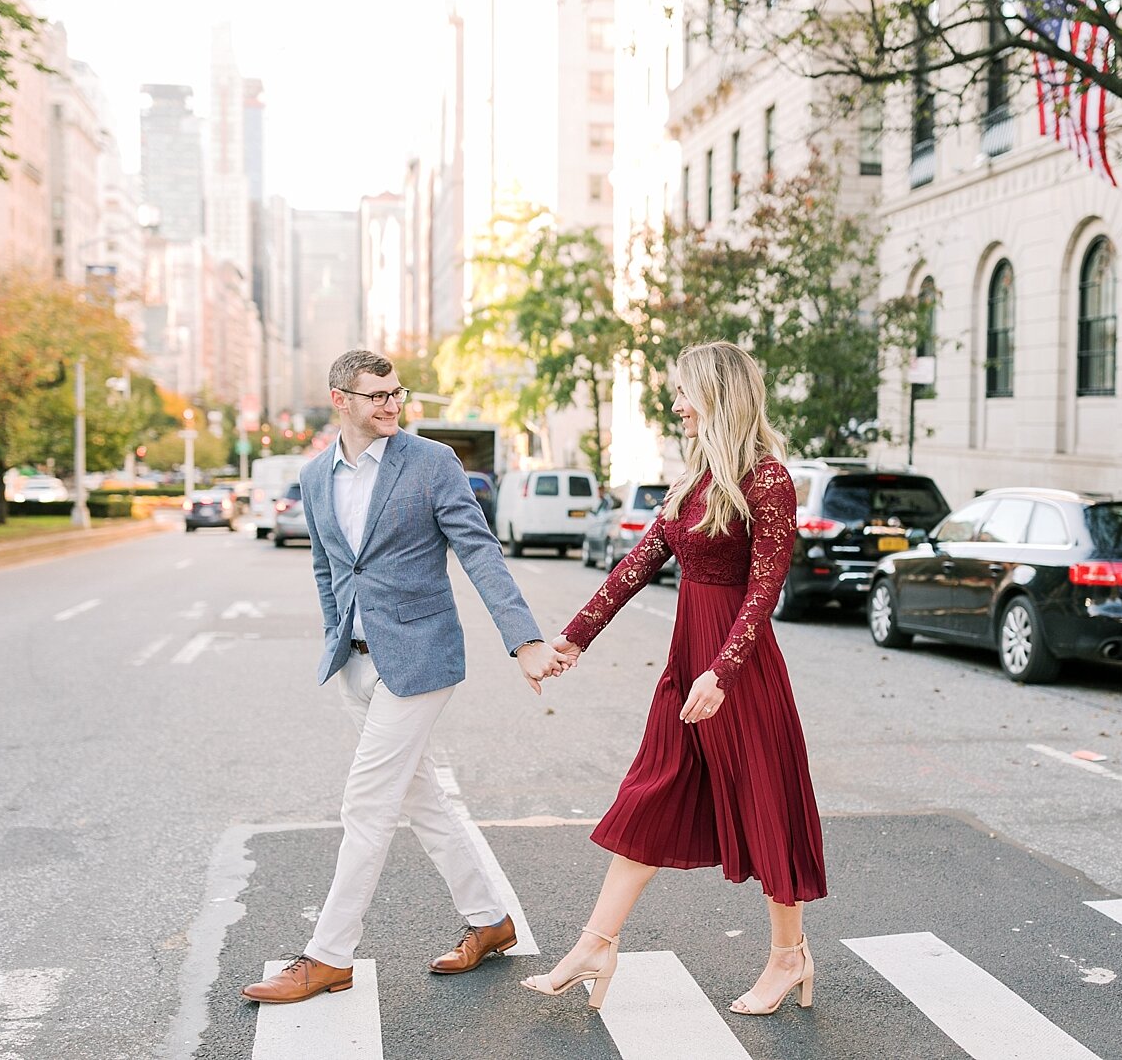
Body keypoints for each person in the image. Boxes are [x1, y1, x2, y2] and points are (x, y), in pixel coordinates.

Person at [242, 350, 571, 1005]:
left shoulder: (431, 463)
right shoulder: (313, 477)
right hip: (356, 664)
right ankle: (491, 920)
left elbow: (478, 549)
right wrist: (337, 638)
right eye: (376, 396)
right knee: (420, 799)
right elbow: (328, 569)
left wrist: (525, 639)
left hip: (420, 658)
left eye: (397, 393)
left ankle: (328, 955)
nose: (392, 404)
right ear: (341, 400)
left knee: (366, 801)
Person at [521, 341, 827, 1016]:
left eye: (685, 393)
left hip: (735, 671)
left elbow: (763, 588)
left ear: (718, 397)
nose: (677, 405)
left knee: (764, 806)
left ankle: (788, 956)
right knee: (649, 793)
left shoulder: (767, 480)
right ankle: (595, 944)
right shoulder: (693, 479)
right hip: (687, 665)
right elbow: (638, 562)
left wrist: (723, 669)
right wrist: (572, 637)